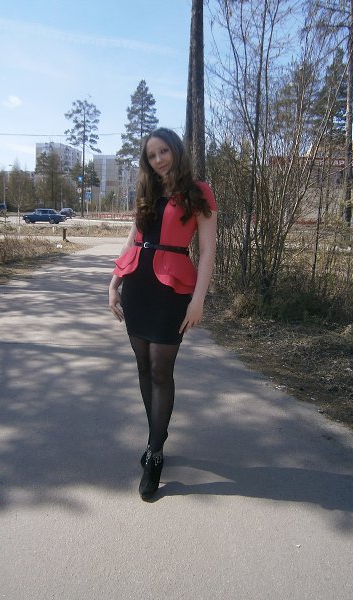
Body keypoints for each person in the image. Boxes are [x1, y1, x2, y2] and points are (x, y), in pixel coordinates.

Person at [108, 127, 217, 500]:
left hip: (173, 290)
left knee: (160, 369)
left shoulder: (199, 191)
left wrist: (198, 300)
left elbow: (208, 251)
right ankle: (156, 436)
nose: (158, 160)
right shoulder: (147, 190)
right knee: (143, 367)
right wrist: (114, 282)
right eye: (152, 155)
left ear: (176, 151)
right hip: (137, 286)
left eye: (163, 152)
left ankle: (155, 454)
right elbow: (132, 239)